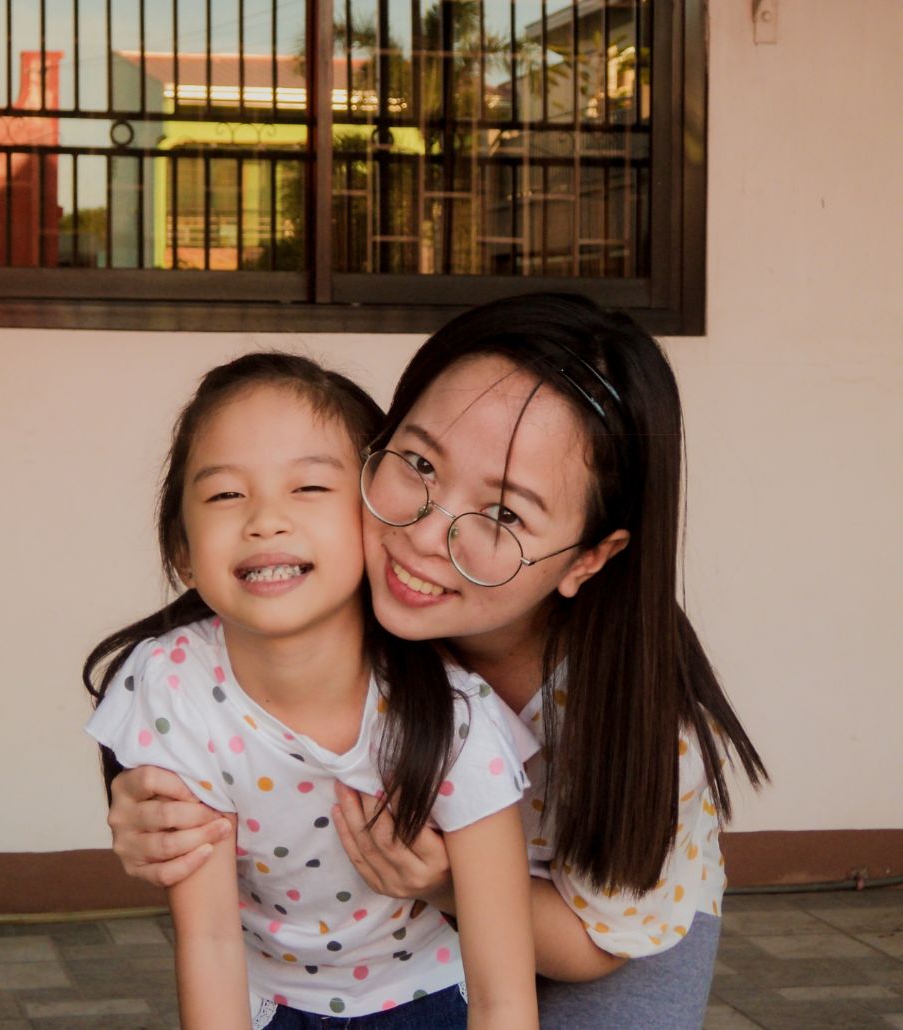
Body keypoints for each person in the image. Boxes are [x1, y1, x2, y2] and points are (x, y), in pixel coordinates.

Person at [105, 295, 770, 1026]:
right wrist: (149, 816)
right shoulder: (316, 592)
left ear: (589, 557)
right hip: (398, 949)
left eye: (504, 514)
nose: (426, 536)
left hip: (603, 934)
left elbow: (597, 943)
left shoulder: (648, 724)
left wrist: (448, 885)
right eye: (420, 462)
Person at [83, 352, 546, 1030]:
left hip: (431, 1000)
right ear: (182, 551)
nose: (265, 519)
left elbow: (505, 992)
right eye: (224, 495)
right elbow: (209, 943)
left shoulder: (452, 716)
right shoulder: (173, 687)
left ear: (375, 522)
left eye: (309, 489)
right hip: (266, 1003)